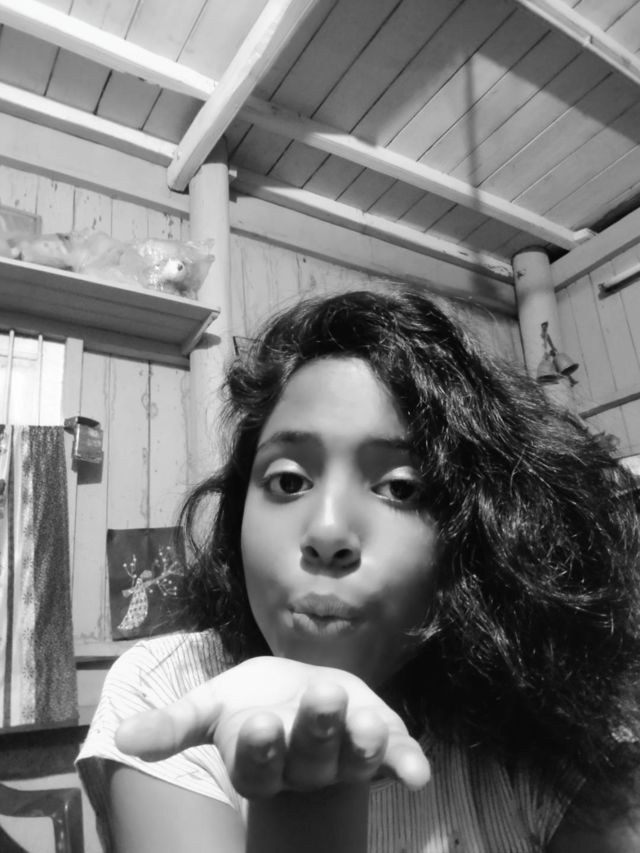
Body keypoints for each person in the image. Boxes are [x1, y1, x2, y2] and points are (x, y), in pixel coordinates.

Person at [77, 286, 640, 852]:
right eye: (288, 481)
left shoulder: (546, 736)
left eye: (400, 488)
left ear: (481, 532)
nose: (327, 533)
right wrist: (305, 794)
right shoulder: (168, 688)